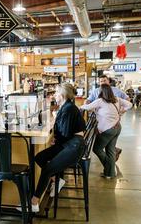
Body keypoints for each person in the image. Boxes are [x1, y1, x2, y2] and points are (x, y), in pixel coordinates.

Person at [30, 83, 86, 212]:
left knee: (47, 169)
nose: (54, 95)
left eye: (56, 93)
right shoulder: (66, 107)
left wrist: (56, 136)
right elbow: (64, 131)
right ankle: (57, 180)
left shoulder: (68, 109)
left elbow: (65, 133)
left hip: (74, 146)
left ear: (62, 95)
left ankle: (34, 201)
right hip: (69, 143)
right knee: (39, 157)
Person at [80, 84, 132, 179]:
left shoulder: (100, 101)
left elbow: (86, 107)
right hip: (117, 127)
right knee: (111, 151)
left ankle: (108, 168)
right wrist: (121, 111)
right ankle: (110, 173)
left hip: (107, 130)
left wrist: (80, 106)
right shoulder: (117, 99)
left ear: (102, 92)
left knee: (97, 149)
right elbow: (130, 104)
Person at [87, 75, 128, 161]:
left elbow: (127, 99)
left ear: (109, 81)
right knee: (110, 146)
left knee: (100, 145)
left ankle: (109, 165)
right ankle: (110, 169)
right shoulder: (96, 91)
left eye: (104, 81)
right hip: (101, 122)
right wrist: (87, 103)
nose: (102, 83)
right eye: (101, 81)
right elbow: (89, 100)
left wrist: (121, 112)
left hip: (112, 123)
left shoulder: (116, 91)